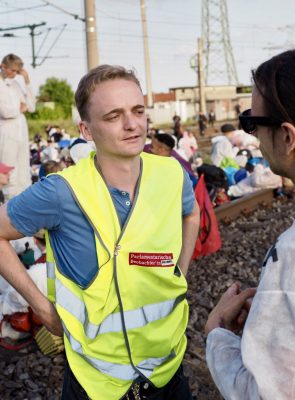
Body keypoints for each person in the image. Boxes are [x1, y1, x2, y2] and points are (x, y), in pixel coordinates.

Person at [0, 65, 200, 400]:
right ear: (87, 129)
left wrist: (182, 269)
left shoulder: (171, 174)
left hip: (168, 366)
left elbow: (191, 213)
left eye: (138, 111)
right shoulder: (61, 192)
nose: (132, 124)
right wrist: (42, 309)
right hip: (96, 382)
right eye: (113, 116)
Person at [205, 49, 295, 399]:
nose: (255, 137)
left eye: (253, 122)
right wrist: (275, 312)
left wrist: (216, 333)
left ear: (288, 137)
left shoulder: (293, 256)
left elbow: (264, 393)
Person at [0, 54, 35, 199]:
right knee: (9, 171)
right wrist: (19, 109)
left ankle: (24, 203)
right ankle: (7, 205)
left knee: (23, 169)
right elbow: (4, 111)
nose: (15, 74)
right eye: (12, 70)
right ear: (3, 66)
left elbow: (31, 107)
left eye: (17, 71)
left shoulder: (15, 84)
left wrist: (26, 81)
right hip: (7, 133)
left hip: (21, 132)